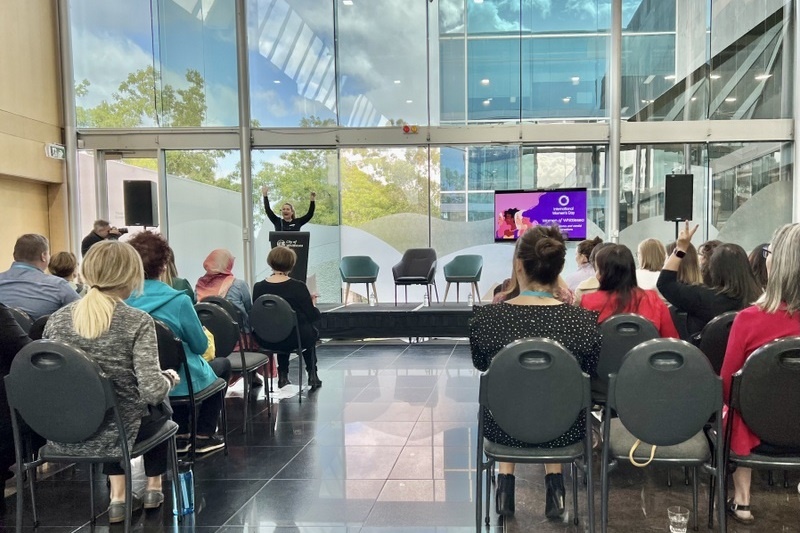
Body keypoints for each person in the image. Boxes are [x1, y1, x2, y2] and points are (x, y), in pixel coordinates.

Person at [42, 240, 181, 521]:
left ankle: (119, 495)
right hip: (121, 432)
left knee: (105, 406)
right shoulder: (136, 321)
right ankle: (153, 485)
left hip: (69, 431)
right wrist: (169, 378)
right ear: (132, 274)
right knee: (157, 404)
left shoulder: (56, 321)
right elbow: (152, 391)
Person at [470, 225, 601, 520]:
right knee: (552, 393)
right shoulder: (582, 321)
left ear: (518, 265)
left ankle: (505, 488)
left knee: (512, 392)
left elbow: (482, 365)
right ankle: (555, 488)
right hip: (564, 432)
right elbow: (588, 373)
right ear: (559, 268)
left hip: (503, 430)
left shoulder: (488, 319)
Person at [721, 223, 800, 524]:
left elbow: (729, 387)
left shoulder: (749, 319)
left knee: (738, 405)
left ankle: (743, 501)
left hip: (757, 427)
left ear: (776, 263)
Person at [125, 232, 229, 455]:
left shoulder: (121, 301)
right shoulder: (179, 300)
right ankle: (203, 435)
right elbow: (201, 347)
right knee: (220, 366)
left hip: (138, 383)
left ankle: (179, 435)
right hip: (181, 382)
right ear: (164, 266)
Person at [658, 222, 762, 337]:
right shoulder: (761, 300)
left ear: (714, 270)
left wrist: (681, 248)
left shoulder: (704, 297)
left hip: (703, 354)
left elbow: (665, 283)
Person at [252, 246, 322, 389]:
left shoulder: (259, 287)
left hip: (266, 339)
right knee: (308, 331)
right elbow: (312, 316)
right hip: (295, 339)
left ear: (270, 262)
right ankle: (313, 375)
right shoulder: (298, 287)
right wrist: (312, 303)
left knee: (279, 326)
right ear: (291, 264)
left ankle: (283, 376)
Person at [580, 244, 679, 338]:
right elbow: (672, 341)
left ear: (603, 274)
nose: (596, 275)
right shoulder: (653, 299)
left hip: (603, 355)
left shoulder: (587, 302)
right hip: (646, 355)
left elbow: (583, 343)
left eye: (598, 269)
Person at [0, 234, 79, 320]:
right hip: (37, 333)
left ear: (14, 255)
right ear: (43, 256)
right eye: (48, 254)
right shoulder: (58, 285)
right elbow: (84, 313)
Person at [195, 249, 252, 328]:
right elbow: (249, 310)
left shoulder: (199, 286)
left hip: (206, 336)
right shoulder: (239, 285)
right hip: (238, 336)